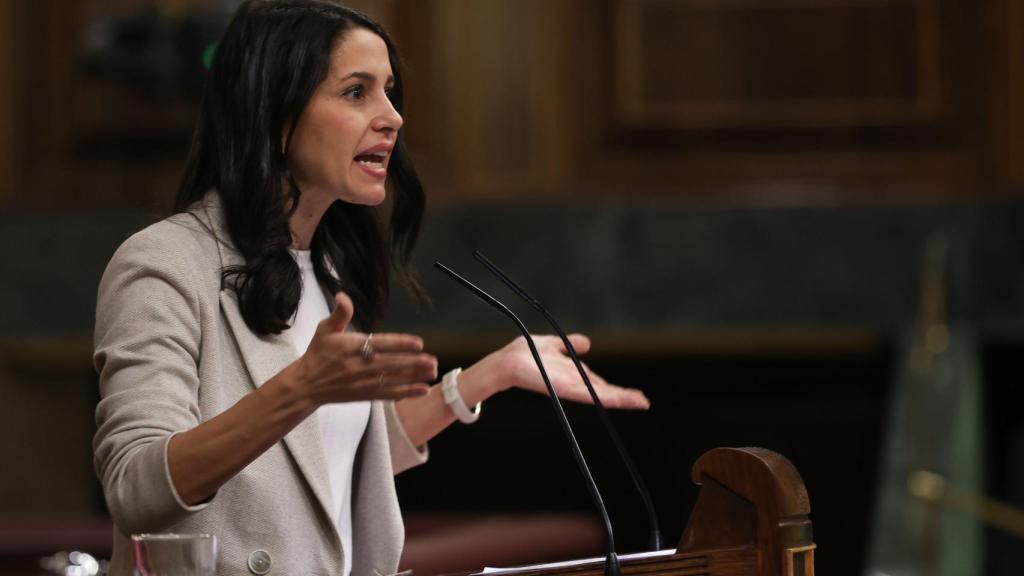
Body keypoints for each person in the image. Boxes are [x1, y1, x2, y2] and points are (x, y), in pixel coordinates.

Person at [92, 1, 650, 575]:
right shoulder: (163, 263)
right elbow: (135, 486)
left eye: (389, 91)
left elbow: (327, 455)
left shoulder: (328, 265)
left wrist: (491, 376)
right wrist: (298, 391)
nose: (392, 117)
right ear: (275, 113)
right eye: (357, 92)